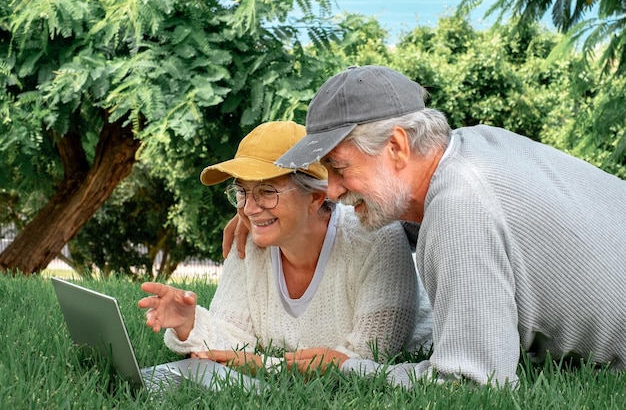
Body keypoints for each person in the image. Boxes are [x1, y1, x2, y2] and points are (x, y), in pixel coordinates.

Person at [226, 65, 626, 387]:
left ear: (397, 146)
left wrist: (344, 365)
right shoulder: (473, 149)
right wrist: (269, 212)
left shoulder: (460, 208)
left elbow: (471, 381)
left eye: (339, 167)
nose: (331, 189)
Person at [138, 121, 433, 374]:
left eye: (267, 191)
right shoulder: (252, 242)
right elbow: (232, 339)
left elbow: (365, 359)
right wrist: (189, 324)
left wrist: (262, 366)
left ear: (315, 198)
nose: (250, 209)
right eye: (242, 191)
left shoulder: (376, 239)